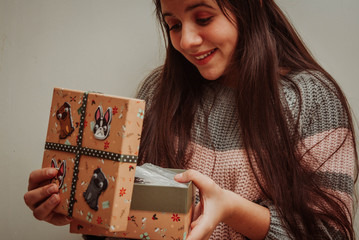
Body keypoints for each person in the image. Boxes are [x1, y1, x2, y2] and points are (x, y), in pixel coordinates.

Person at [24, 0, 358, 239]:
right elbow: (134, 216)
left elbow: (330, 232)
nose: (187, 40)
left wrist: (230, 209)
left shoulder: (311, 98)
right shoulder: (159, 92)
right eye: (173, 24)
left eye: (203, 17)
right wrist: (80, 209)